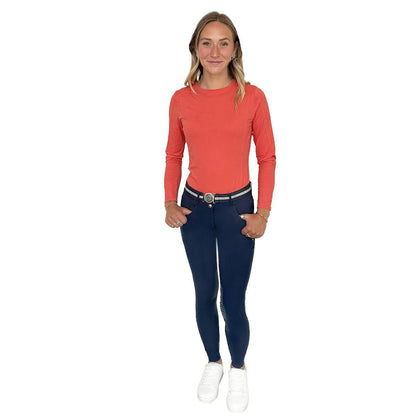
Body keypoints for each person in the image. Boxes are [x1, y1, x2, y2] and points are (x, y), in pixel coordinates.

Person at [164, 11, 276, 413]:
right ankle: (213, 361)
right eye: (206, 43)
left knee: (233, 297)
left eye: (223, 43)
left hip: (237, 211)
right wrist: (169, 201)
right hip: (194, 209)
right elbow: (173, 154)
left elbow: (267, 158)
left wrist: (263, 212)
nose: (215, 51)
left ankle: (238, 367)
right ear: (195, 48)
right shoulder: (181, 99)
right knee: (204, 292)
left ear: (235, 49)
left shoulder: (253, 97)